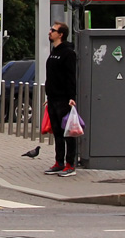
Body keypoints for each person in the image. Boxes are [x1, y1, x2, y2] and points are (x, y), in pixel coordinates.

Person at [44, 21, 78, 176]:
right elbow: (52, 76)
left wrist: (72, 97)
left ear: (61, 34)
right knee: (57, 132)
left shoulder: (68, 53)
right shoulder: (54, 51)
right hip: (53, 98)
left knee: (68, 132)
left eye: (53, 30)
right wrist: (48, 96)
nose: (50, 32)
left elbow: (70, 76)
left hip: (64, 99)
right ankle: (59, 162)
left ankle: (70, 164)